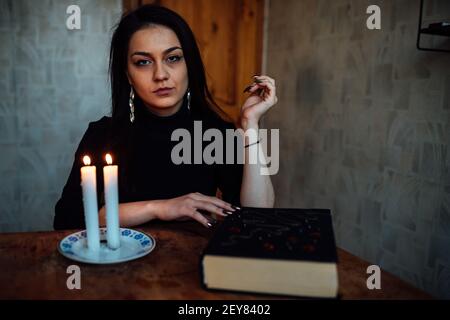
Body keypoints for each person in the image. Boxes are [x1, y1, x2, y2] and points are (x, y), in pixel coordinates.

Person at [54, 5, 277, 230]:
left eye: (173, 58)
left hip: (194, 261)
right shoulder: (102, 136)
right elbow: (65, 222)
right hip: (123, 262)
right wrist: (159, 208)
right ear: (127, 75)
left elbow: (257, 218)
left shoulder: (216, 134)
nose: (160, 75)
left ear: (189, 64)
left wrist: (250, 125)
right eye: (143, 62)